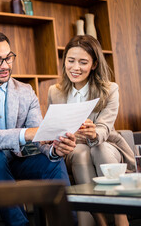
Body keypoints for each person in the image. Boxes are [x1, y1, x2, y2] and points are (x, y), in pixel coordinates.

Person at [0, 31, 76, 226]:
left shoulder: (25, 90)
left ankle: (69, 224)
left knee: (53, 161)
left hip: (17, 160)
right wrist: (26, 134)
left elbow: (39, 135)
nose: (5, 66)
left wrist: (53, 149)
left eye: (9, 58)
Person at [48, 35, 134, 226]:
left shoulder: (110, 89)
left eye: (83, 62)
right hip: (73, 149)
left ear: (94, 64)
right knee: (80, 151)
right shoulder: (55, 91)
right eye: (70, 61)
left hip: (104, 144)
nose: (75, 67)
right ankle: (99, 220)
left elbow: (105, 126)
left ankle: (121, 219)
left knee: (98, 148)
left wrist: (94, 133)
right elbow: (53, 127)